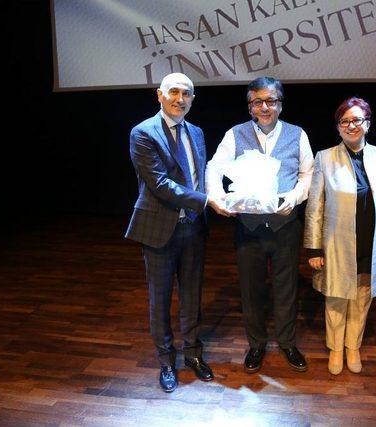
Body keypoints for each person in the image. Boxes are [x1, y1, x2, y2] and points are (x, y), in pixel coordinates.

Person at [125, 73, 232, 392]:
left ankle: (193, 354)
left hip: (193, 228)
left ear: (192, 99)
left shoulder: (196, 132)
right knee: (160, 299)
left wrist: (220, 193)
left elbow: (199, 176)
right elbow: (160, 185)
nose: (180, 98)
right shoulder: (143, 132)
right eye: (173, 91)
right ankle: (166, 362)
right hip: (159, 228)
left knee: (192, 295)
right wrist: (207, 201)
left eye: (187, 94)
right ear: (159, 95)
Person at [206, 76, 314, 373]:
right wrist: (216, 198)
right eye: (257, 102)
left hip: (285, 224)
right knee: (251, 289)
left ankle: (288, 342)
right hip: (248, 226)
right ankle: (256, 344)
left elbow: (307, 174)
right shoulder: (235, 134)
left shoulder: (297, 134)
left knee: (286, 287)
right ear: (250, 105)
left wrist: (294, 197)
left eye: (271, 101)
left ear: (280, 103)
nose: (264, 107)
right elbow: (214, 167)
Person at [304, 96, 376, 375]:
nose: (351, 125)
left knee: (363, 296)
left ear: (367, 124)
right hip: (337, 243)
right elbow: (315, 207)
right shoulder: (325, 157)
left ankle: (353, 346)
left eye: (357, 119)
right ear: (338, 127)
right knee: (336, 297)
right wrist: (313, 249)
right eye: (345, 121)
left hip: (373, 242)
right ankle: (336, 348)